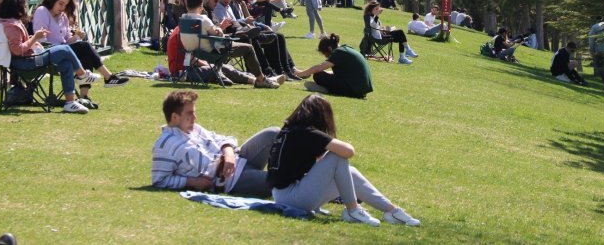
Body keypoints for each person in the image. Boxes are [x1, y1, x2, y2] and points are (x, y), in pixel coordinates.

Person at [267, 95, 420, 227]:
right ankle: (353, 211)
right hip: (291, 198)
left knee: (350, 171)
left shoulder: (290, 130)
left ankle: (391, 210)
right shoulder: (306, 132)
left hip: (285, 194)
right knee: (337, 156)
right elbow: (348, 151)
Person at [151, 90, 280, 197]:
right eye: (190, 113)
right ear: (174, 117)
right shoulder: (165, 145)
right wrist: (193, 181)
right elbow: (160, 180)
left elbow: (222, 139)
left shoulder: (195, 128)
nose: (195, 118)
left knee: (274, 133)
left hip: (238, 158)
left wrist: (228, 153)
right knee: (282, 181)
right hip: (231, 179)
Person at [0, 0, 102, 114]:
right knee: (65, 50)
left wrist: (31, 39)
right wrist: (35, 38)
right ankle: (82, 75)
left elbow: (18, 46)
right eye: (24, 6)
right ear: (17, 8)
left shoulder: (10, 23)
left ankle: (70, 102)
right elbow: (17, 50)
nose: (26, 9)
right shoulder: (11, 26)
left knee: (66, 64)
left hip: (28, 60)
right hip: (26, 63)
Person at [31, 0, 130, 104]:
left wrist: (77, 36)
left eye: (65, 5)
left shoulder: (63, 17)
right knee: (84, 47)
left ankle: (84, 97)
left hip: (64, 51)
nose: (63, 8)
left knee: (86, 54)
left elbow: (66, 40)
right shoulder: (42, 11)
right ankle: (108, 77)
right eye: (60, 4)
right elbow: (42, 40)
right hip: (48, 52)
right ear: (53, 0)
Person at [180, 0, 283, 88]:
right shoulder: (203, 19)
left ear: (187, 5)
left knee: (236, 40)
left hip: (193, 53)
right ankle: (261, 79)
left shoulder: (183, 19)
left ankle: (262, 77)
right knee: (249, 48)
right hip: (212, 52)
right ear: (201, 5)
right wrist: (220, 29)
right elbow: (217, 34)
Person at [295, 33, 373, 98]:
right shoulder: (346, 48)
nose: (326, 57)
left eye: (325, 54)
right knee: (322, 73)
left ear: (329, 48)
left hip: (355, 91)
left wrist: (300, 74)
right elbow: (341, 73)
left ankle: (326, 90)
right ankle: (327, 88)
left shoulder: (338, 52)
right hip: (361, 90)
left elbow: (319, 68)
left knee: (318, 75)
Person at [588, 17, 604, 91]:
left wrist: (592, 48)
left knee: (600, 67)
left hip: (600, 49)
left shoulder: (595, 27)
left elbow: (591, 38)